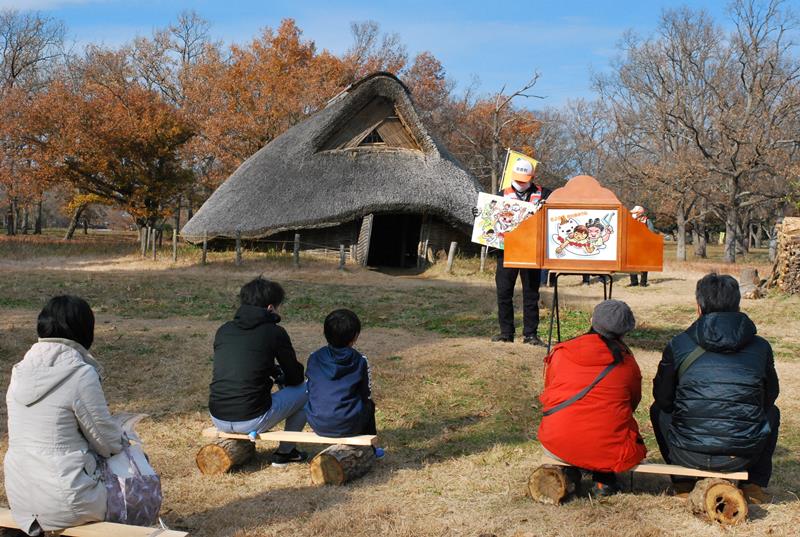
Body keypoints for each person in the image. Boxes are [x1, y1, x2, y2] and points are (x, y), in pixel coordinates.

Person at [651, 273, 780, 503]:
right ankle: (754, 485)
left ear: (699, 306)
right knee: (772, 413)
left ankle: (682, 481)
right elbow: (770, 398)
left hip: (687, 455)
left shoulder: (679, 344)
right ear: (738, 305)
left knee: (657, 410)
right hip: (742, 457)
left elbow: (663, 399)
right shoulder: (761, 347)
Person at [4, 296, 125, 534]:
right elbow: (109, 444)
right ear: (84, 330)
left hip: (20, 496)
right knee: (130, 482)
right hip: (68, 500)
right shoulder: (80, 375)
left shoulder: (18, 372)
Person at [538, 300, 646, 496]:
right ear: (624, 332)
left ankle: (570, 471)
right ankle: (604, 482)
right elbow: (632, 402)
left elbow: (550, 392)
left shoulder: (562, 352)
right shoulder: (627, 363)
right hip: (609, 449)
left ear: (591, 321)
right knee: (614, 435)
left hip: (557, 441)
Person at [209, 277, 308, 467]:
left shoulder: (224, 330)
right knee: (308, 390)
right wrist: (283, 376)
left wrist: (273, 371)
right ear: (270, 308)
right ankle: (286, 452)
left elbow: (244, 364)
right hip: (251, 419)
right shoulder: (274, 332)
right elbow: (296, 377)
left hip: (218, 416)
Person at [304, 309, 384, 457]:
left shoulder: (314, 357)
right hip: (350, 424)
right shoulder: (360, 360)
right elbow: (366, 394)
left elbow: (309, 389)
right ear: (355, 337)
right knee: (369, 404)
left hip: (317, 422)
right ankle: (370, 450)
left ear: (325, 333)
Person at [490, 157, 551, 345]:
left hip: (531, 251)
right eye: (517, 179)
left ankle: (530, 334)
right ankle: (506, 332)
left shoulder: (545, 194)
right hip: (506, 251)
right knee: (504, 292)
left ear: (532, 177)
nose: (520, 183)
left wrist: (548, 206)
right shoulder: (501, 195)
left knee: (531, 294)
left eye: (525, 180)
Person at [628, 206, 655, 287]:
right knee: (631, 264)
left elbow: (651, 233)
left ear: (639, 213)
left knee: (643, 264)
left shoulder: (647, 221)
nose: (633, 214)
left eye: (634, 212)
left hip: (643, 246)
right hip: (632, 245)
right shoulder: (631, 221)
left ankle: (643, 283)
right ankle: (634, 282)